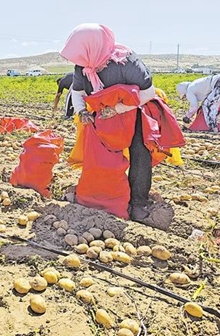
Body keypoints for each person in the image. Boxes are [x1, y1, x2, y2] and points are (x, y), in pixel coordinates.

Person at [60, 23, 174, 228]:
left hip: (136, 108)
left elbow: (148, 93)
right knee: (100, 154)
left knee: (140, 151)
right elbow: (77, 92)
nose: (79, 60)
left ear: (93, 46)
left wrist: (118, 109)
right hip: (103, 112)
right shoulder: (83, 65)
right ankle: (102, 196)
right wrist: (82, 111)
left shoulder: (127, 61)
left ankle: (138, 202)